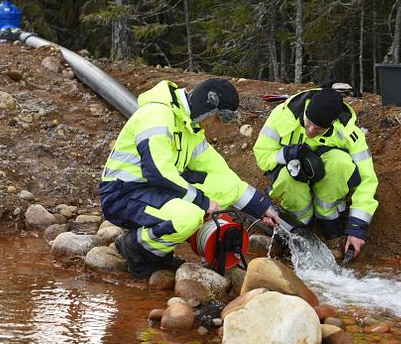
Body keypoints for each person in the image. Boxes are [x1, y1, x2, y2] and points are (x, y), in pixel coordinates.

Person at [100, 78, 279, 279]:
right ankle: (137, 249)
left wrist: (261, 206)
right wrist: (202, 202)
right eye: (218, 118)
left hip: (154, 190)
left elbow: (220, 173)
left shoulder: (191, 129)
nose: (216, 125)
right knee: (189, 216)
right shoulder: (157, 115)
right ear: (208, 110)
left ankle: (160, 240)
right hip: (123, 195)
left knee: (224, 186)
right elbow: (157, 171)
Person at [253, 88, 378, 258]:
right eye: (307, 123)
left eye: (318, 128)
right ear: (306, 110)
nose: (310, 131)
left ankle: (331, 225)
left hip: (327, 173)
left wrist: (357, 228)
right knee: (288, 180)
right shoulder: (283, 116)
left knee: (339, 163)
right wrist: (286, 155)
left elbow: (367, 180)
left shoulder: (348, 132)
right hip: (290, 170)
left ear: (332, 123)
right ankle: (301, 225)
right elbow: (262, 154)